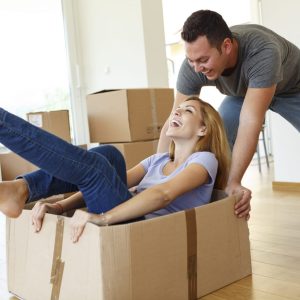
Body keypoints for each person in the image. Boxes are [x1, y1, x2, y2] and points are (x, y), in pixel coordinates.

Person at [0, 97, 230, 242]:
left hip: (144, 232)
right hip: (125, 216)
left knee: (97, 168)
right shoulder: (157, 160)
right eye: (176, 109)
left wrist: (103, 218)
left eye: (187, 110)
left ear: (203, 129)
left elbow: (163, 194)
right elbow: (110, 183)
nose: (176, 112)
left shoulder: (205, 160)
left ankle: (19, 183)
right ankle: (22, 188)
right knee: (108, 155)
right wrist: (59, 207)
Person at [158, 9, 300, 220]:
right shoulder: (195, 64)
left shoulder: (262, 51)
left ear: (226, 46)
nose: (197, 68)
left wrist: (235, 181)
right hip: (243, 93)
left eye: (203, 60)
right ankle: (215, 205)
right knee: (219, 138)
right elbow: (174, 120)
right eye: (191, 60)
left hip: (292, 89)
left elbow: (250, 121)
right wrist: (158, 170)